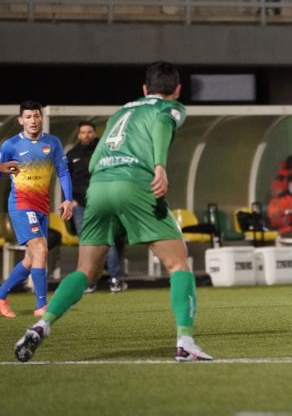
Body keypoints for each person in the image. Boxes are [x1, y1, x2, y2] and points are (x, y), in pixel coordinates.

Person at [14, 61, 212, 362]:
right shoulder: (169, 108)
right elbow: (161, 125)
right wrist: (159, 165)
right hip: (133, 184)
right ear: (178, 89)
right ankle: (185, 341)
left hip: (99, 187)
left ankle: (42, 325)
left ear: (144, 88)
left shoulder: (122, 111)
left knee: (86, 271)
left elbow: (93, 163)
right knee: (178, 264)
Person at [0, 101, 74, 319]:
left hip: (42, 206)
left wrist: (68, 199)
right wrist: (11, 169)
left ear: (41, 118)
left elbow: (62, 171)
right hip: (21, 204)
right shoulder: (11, 145)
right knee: (41, 248)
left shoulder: (52, 142)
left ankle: (1, 296)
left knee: (31, 259)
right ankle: (42, 305)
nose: (33, 121)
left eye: (36, 116)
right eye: (28, 117)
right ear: (20, 120)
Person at [67, 121, 127, 293]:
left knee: (107, 242)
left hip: (102, 203)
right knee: (87, 244)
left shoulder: (104, 151)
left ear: (94, 133)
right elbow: (66, 180)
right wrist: (70, 201)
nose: (86, 135)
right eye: (83, 132)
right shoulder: (72, 154)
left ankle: (115, 278)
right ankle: (90, 281)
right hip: (80, 206)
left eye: (89, 132)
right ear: (79, 135)